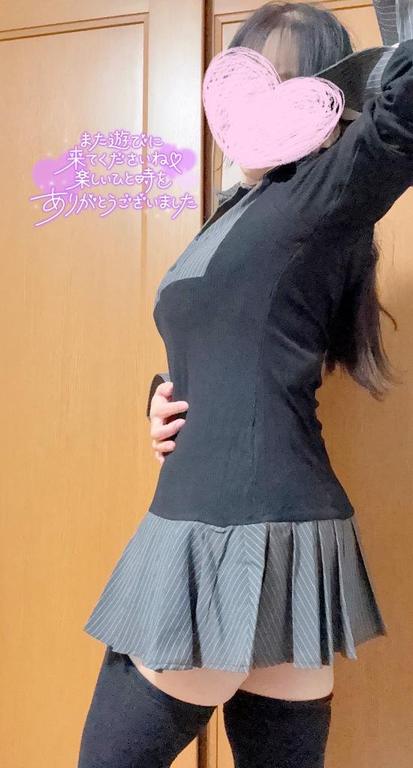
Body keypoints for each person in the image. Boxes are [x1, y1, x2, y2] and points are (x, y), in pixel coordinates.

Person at [78, 2, 413, 766]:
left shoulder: (322, 192)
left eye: (280, 79)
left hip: (232, 524)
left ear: (328, 96)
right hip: (254, 520)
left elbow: (399, 128)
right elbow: (230, 330)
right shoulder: (241, 211)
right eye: (241, 77)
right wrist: (164, 394)